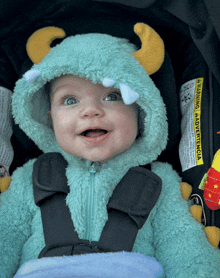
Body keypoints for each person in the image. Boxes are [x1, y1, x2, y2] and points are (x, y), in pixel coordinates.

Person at [0, 23, 219, 278]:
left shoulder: (160, 182)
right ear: (49, 117)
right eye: (70, 100)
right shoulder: (31, 178)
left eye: (112, 96)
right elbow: (5, 236)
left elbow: (184, 246)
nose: (91, 110)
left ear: (142, 111)